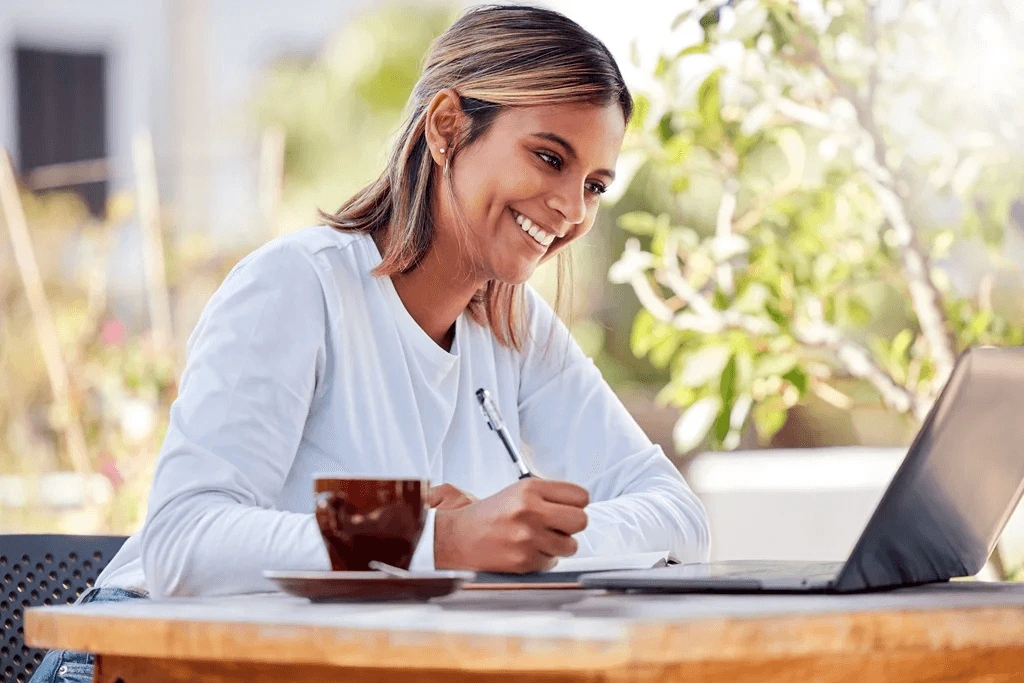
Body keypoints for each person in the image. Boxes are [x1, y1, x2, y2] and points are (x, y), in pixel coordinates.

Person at [31, 5, 709, 680]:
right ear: (447, 127)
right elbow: (185, 537)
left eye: (594, 185)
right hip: (132, 658)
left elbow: (678, 516)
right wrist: (430, 533)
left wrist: (523, 536)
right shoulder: (298, 285)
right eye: (549, 157)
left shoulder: (515, 327)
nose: (571, 207)